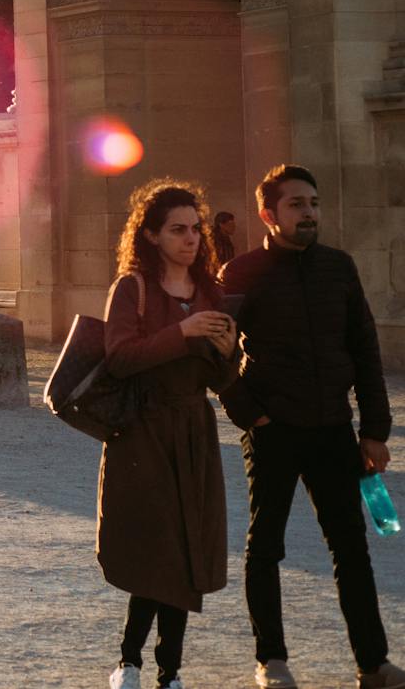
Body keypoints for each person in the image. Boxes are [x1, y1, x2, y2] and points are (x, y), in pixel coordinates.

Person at [220, 164, 403, 689]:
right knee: (266, 546)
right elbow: (217, 353)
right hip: (273, 429)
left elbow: (365, 351)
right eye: (297, 204)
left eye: (314, 204)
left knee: (351, 548)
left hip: (333, 428)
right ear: (268, 215)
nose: (309, 213)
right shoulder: (242, 273)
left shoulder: (339, 268)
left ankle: (373, 664)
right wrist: (250, 413)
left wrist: (375, 430)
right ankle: (271, 660)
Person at [100, 180, 237, 689]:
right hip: (142, 432)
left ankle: (169, 671)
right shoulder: (132, 288)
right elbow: (119, 358)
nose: (191, 239)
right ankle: (130, 661)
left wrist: (227, 354)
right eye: (178, 230)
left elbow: (221, 382)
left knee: (184, 551)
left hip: (194, 431)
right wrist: (182, 334)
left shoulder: (210, 292)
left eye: (195, 229)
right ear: (152, 235)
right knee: (152, 549)